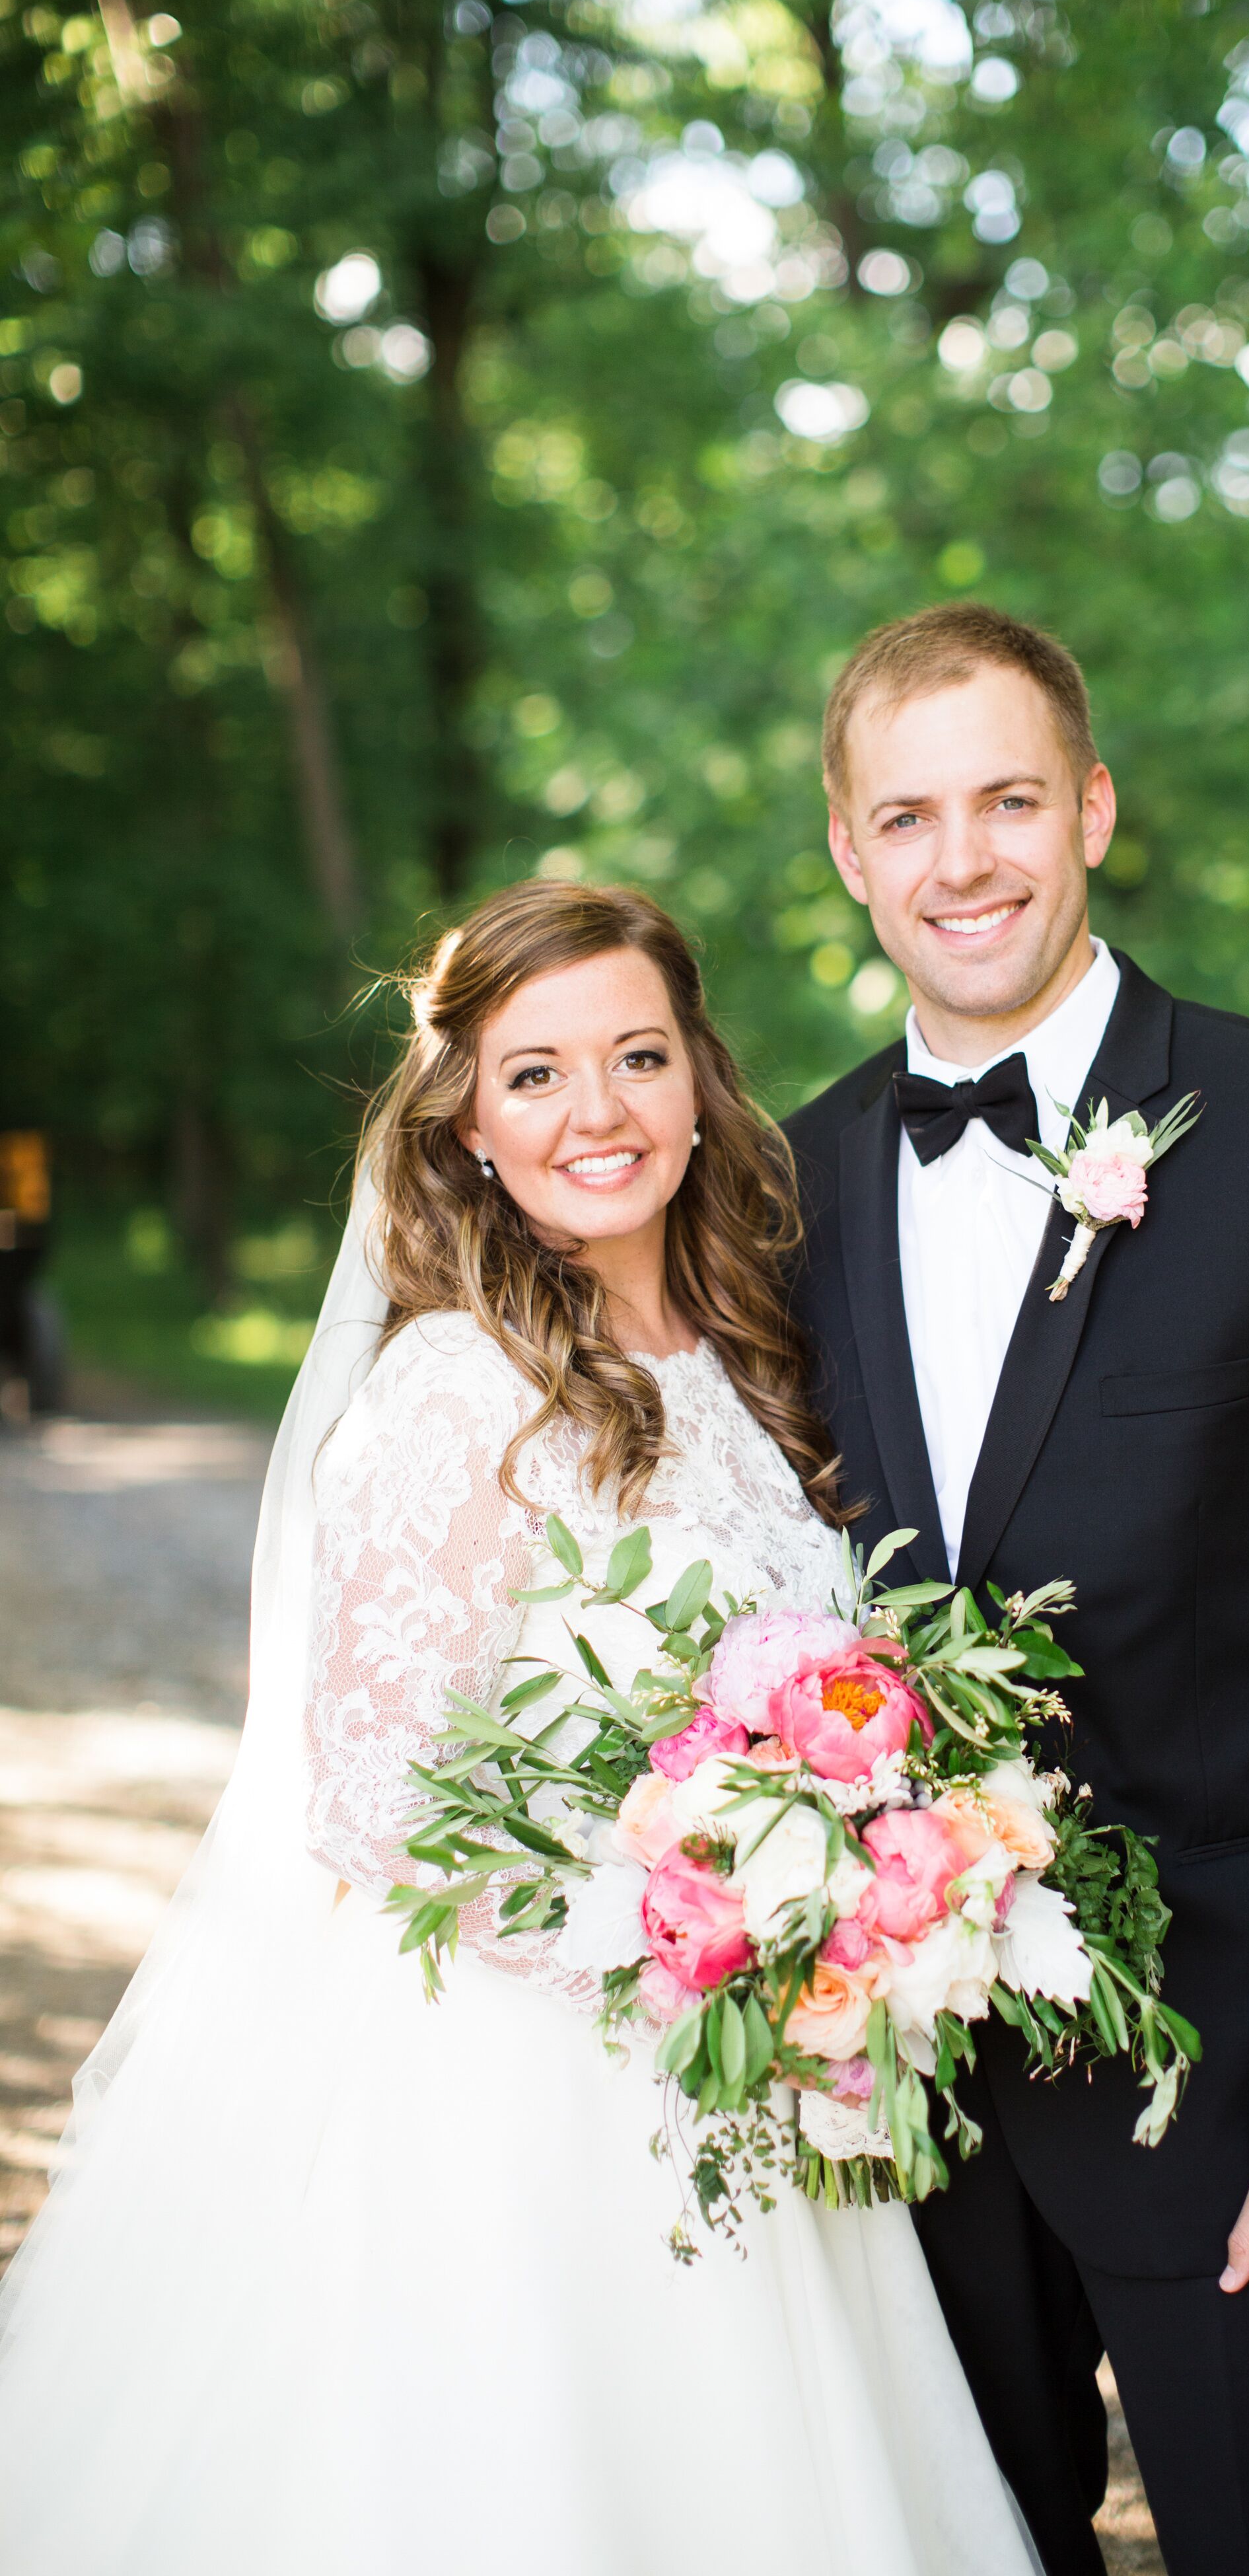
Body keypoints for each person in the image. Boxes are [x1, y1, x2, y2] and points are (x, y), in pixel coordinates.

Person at [0, 883, 1040, 2576]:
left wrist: (832, 1899)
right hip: (530, 2086)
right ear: (468, 1121)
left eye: (636, 1056)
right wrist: (701, 1936)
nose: (598, 1112)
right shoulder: (452, 1387)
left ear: (699, 1081)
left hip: (748, 2069)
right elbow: (368, 1794)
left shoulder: (751, 1351)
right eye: (536, 1073)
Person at [784, 604, 1249, 2576]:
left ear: (1091, 809)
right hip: (892, 2105)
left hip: (1225, 2100)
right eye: (909, 815)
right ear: (848, 850)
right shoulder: (788, 1188)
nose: (964, 861)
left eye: (1010, 800)